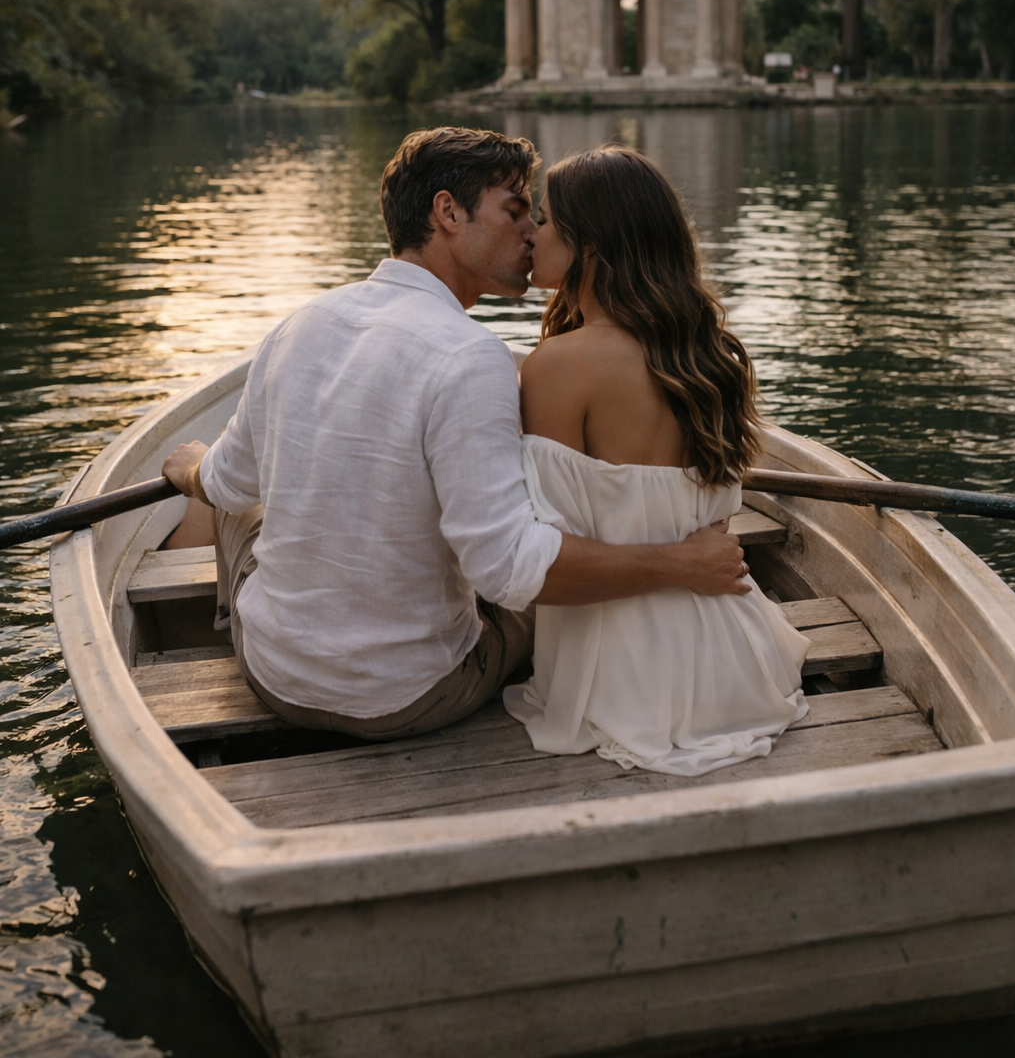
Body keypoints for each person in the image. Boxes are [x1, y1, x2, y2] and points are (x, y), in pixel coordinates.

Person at [161, 128, 751, 742]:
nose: (531, 233)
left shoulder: (298, 325)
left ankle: (222, 622)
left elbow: (227, 479)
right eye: (516, 211)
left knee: (229, 509)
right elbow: (508, 573)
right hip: (412, 694)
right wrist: (680, 563)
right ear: (447, 212)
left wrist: (189, 468)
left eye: (537, 217)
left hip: (275, 678)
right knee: (520, 585)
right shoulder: (472, 356)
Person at [503, 145, 809, 776]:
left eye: (547, 219)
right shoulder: (713, 355)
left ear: (592, 243)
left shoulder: (558, 368)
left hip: (619, 673)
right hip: (737, 660)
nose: (531, 232)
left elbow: (550, 548)